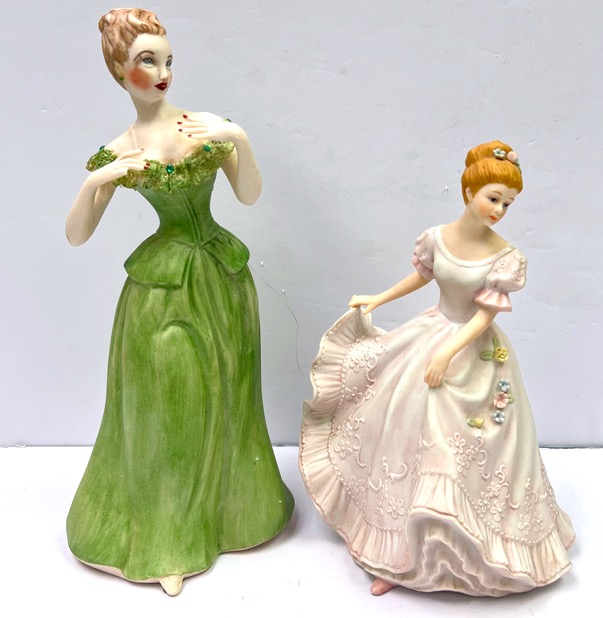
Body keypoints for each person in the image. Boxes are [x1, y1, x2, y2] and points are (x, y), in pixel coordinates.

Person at [65, 8, 293, 596]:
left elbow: (249, 194)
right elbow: (76, 235)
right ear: (120, 71)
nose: (163, 72)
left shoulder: (202, 128)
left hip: (221, 277)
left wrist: (238, 137)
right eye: (148, 61)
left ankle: (231, 516)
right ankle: (167, 538)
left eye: (167, 59)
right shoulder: (119, 150)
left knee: (230, 397)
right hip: (161, 291)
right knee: (167, 409)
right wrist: (97, 180)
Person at [299, 141, 574, 597]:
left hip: (474, 354)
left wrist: (447, 353)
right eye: (493, 198)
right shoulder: (437, 238)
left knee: (455, 446)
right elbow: (423, 276)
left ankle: (469, 550)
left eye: (508, 203)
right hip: (430, 333)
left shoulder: (504, 257)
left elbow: (484, 317)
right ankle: (395, 554)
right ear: (469, 192)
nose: (500, 211)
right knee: (402, 428)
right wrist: (378, 298)